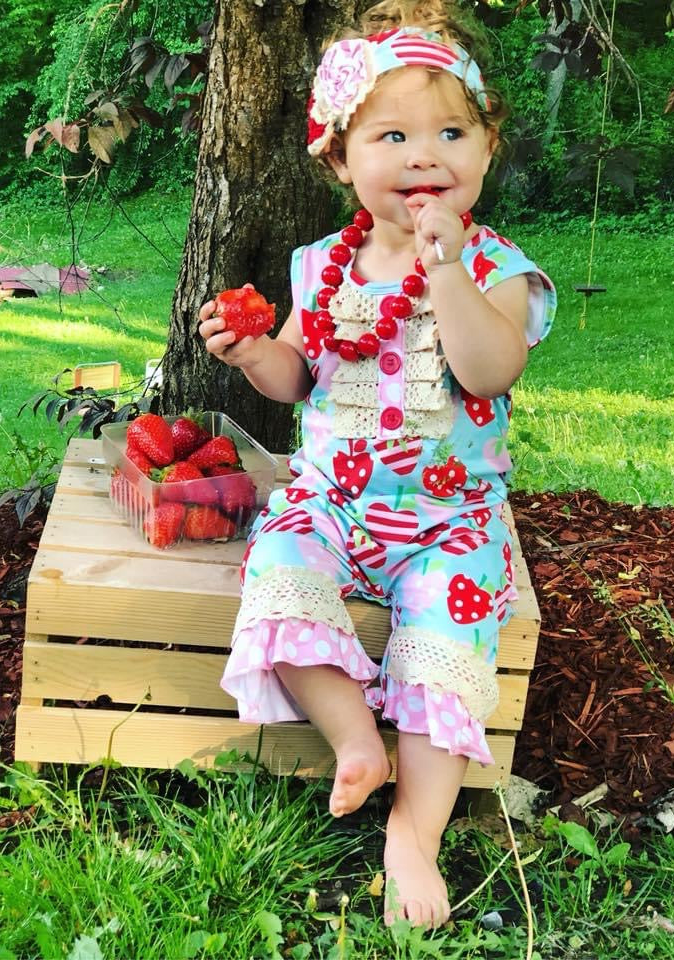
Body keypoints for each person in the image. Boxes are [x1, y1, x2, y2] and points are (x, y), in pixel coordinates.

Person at [198, 0, 555, 929]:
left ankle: (415, 831)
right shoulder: (322, 266)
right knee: (278, 572)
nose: (423, 155)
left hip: (447, 520)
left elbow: (490, 368)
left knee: (448, 645)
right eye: (392, 134)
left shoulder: (500, 270)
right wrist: (248, 357)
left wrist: (446, 275)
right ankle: (357, 738)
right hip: (333, 503)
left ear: (484, 150)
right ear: (340, 156)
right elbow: (296, 374)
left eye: (450, 131)